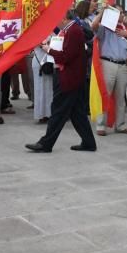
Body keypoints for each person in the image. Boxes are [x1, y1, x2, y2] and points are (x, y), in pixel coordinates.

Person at [26, 9, 97, 153]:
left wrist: (48, 50)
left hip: (69, 78)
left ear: (64, 17)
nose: (55, 22)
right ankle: (89, 142)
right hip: (70, 77)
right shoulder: (68, 30)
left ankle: (46, 144)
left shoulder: (74, 31)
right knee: (77, 114)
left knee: (58, 111)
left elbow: (66, 56)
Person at [90, 5, 127, 136]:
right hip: (108, 63)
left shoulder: (125, 28)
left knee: (121, 97)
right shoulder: (105, 27)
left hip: (122, 65)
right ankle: (100, 125)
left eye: (122, 12)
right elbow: (93, 26)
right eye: (119, 13)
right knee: (105, 94)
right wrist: (102, 13)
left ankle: (120, 125)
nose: (122, 15)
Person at [30, 36, 53, 123]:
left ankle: (49, 113)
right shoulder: (37, 31)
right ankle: (42, 114)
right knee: (40, 89)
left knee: (49, 89)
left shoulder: (53, 30)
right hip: (40, 62)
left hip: (48, 61)